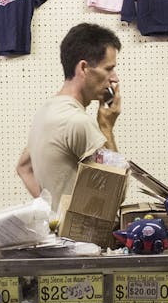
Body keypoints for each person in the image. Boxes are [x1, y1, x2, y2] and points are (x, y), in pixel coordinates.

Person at [18, 23, 122, 209]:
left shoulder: (46, 112)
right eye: (108, 69)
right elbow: (115, 194)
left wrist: (54, 213)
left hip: (59, 235)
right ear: (83, 68)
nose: (114, 78)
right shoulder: (77, 121)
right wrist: (106, 127)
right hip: (84, 239)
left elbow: (24, 168)